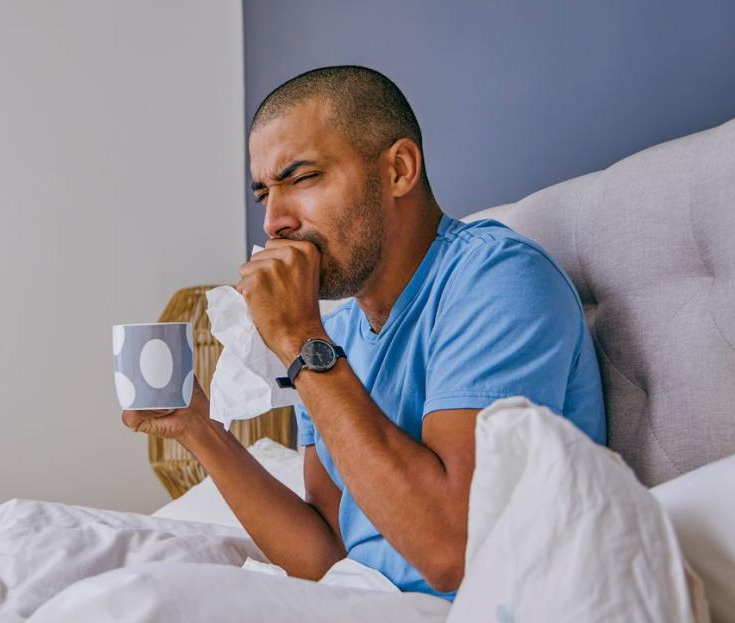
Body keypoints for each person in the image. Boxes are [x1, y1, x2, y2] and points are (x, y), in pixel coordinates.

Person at [121, 65, 606, 601]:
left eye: (301, 178)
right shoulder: (336, 332)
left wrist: (300, 341)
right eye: (264, 194)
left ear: (399, 170)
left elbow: (452, 552)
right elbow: (328, 550)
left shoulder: (497, 279)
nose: (273, 221)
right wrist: (200, 431)